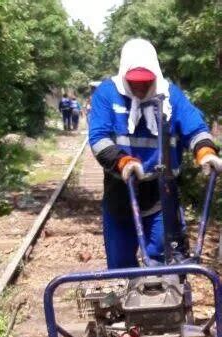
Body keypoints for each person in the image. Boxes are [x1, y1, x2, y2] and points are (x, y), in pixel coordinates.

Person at [88, 38, 222, 269]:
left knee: (163, 258)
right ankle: (126, 299)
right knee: (120, 262)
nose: (140, 88)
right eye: (134, 82)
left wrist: (206, 152)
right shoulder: (107, 94)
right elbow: (98, 137)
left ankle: (163, 301)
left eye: (145, 82)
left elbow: (195, 127)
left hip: (161, 191)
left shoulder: (170, 95)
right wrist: (122, 162)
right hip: (122, 187)